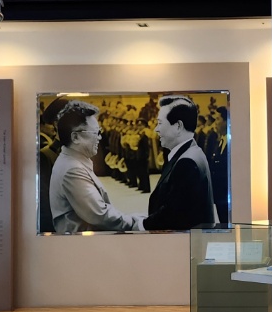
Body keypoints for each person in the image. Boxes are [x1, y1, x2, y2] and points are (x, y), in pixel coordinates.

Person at [48, 100, 143, 234]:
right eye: (95, 133)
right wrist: (136, 222)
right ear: (75, 137)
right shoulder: (72, 169)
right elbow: (99, 215)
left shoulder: (74, 162)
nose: (99, 138)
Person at [143, 94, 216, 231]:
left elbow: (173, 214)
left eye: (160, 123)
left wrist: (141, 224)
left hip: (183, 241)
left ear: (178, 126)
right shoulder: (191, 152)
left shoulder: (187, 162)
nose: (156, 129)